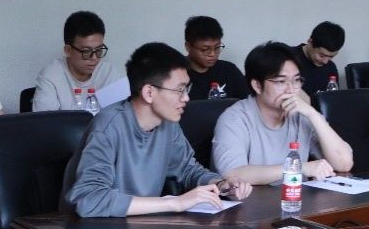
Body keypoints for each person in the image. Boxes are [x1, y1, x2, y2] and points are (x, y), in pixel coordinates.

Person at [61, 43, 252, 217]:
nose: (186, 98)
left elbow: (187, 169)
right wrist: (174, 203)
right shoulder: (108, 126)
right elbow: (89, 199)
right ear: (149, 92)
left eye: (187, 89)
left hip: (139, 227)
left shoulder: (168, 123)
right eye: (180, 90)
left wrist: (221, 184)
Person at [212, 41, 353, 184]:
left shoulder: (302, 115)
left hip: (297, 196)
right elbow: (232, 174)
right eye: (280, 81)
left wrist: (313, 114)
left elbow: (344, 164)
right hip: (252, 198)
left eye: (296, 80)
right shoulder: (234, 118)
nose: (291, 90)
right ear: (257, 85)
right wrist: (298, 168)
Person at [32, 10, 120, 111]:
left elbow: (120, 116)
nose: (94, 58)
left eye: (99, 50)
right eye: (86, 51)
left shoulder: (108, 73)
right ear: (68, 50)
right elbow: (45, 120)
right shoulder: (51, 76)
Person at [183, 15, 247, 101]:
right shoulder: (176, 73)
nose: (212, 54)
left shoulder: (229, 70)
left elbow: (248, 102)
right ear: (188, 47)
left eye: (217, 47)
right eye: (205, 49)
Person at [293, 21, 345, 94]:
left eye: (331, 56)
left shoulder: (331, 68)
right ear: (310, 42)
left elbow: (333, 99)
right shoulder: (288, 59)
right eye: (322, 55)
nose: (325, 61)